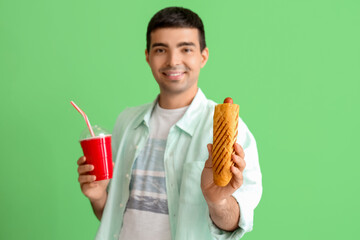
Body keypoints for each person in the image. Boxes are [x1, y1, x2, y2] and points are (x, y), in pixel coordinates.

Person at [77, 6, 262, 240]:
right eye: (161, 49)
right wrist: (98, 196)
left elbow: (234, 223)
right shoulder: (126, 122)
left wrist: (218, 200)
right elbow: (115, 216)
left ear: (203, 56)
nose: (173, 61)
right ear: (148, 56)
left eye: (186, 49)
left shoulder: (231, 132)